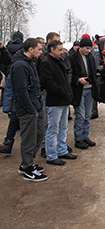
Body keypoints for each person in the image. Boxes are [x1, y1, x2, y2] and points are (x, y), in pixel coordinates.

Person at [10, 38, 47, 181]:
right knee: (29, 138)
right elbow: (21, 91)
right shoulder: (19, 66)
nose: (41, 51)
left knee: (39, 133)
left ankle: (28, 162)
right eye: (38, 49)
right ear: (30, 49)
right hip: (28, 109)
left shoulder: (30, 63)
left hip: (36, 105)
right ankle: (27, 168)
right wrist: (30, 109)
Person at [40, 40, 77, 165]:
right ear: (52, 50)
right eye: (60, 50)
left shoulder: (59, 62)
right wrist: (61, 91)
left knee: (63, 127)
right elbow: (47, 82)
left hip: (64, 99)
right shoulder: (46, 63)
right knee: (53, 128)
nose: (62, 52)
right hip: (55, 101)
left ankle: (62, 150)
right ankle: (51, 155)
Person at [70, 37, 99, 149]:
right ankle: (78, 139)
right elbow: (69, 74)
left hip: (89, 89)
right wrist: (77, 80)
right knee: (80, 115)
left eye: (90, 48)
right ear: (81, 47)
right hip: (79, 90)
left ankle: (84, 136)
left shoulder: (90, 58)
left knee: (87, 115)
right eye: (87, 48)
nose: (88, 51)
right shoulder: (72, 58)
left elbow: (93, 73)